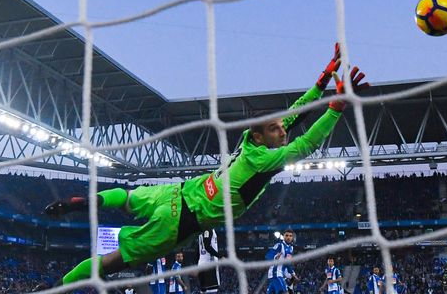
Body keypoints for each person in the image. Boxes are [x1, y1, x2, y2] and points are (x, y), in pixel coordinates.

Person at [43, 45, 369, 286]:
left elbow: (295, 114)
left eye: (280, 127)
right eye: (275, 129)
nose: (282, 130)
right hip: (181, 221)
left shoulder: (248, 145)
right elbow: (306, 143)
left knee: (127, 197)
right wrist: (335, 108)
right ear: (259, 136)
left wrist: (323, 79)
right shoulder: (264, 161)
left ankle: (84, 202)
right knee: (111, 262)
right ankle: (57, 290)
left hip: (175, 193)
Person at [265, 229, 295, 294]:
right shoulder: (279, 245)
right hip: (275, 273)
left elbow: (287, 263)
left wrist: (292, 273)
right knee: (284, 292)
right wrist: (275, 257)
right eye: (286, 235)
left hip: (280, 274)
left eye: (290, 236)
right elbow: (268, 255)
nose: (288, 237)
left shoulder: (291, 248)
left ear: (292, 237)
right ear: (283, 236)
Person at [197, 229, 222, 293]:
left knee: (204, 290)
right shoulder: (208, 229)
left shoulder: (202, 230)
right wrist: (220, 256)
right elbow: (207, 246)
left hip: (201, 263)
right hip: (209, 263)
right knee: (212, 290)